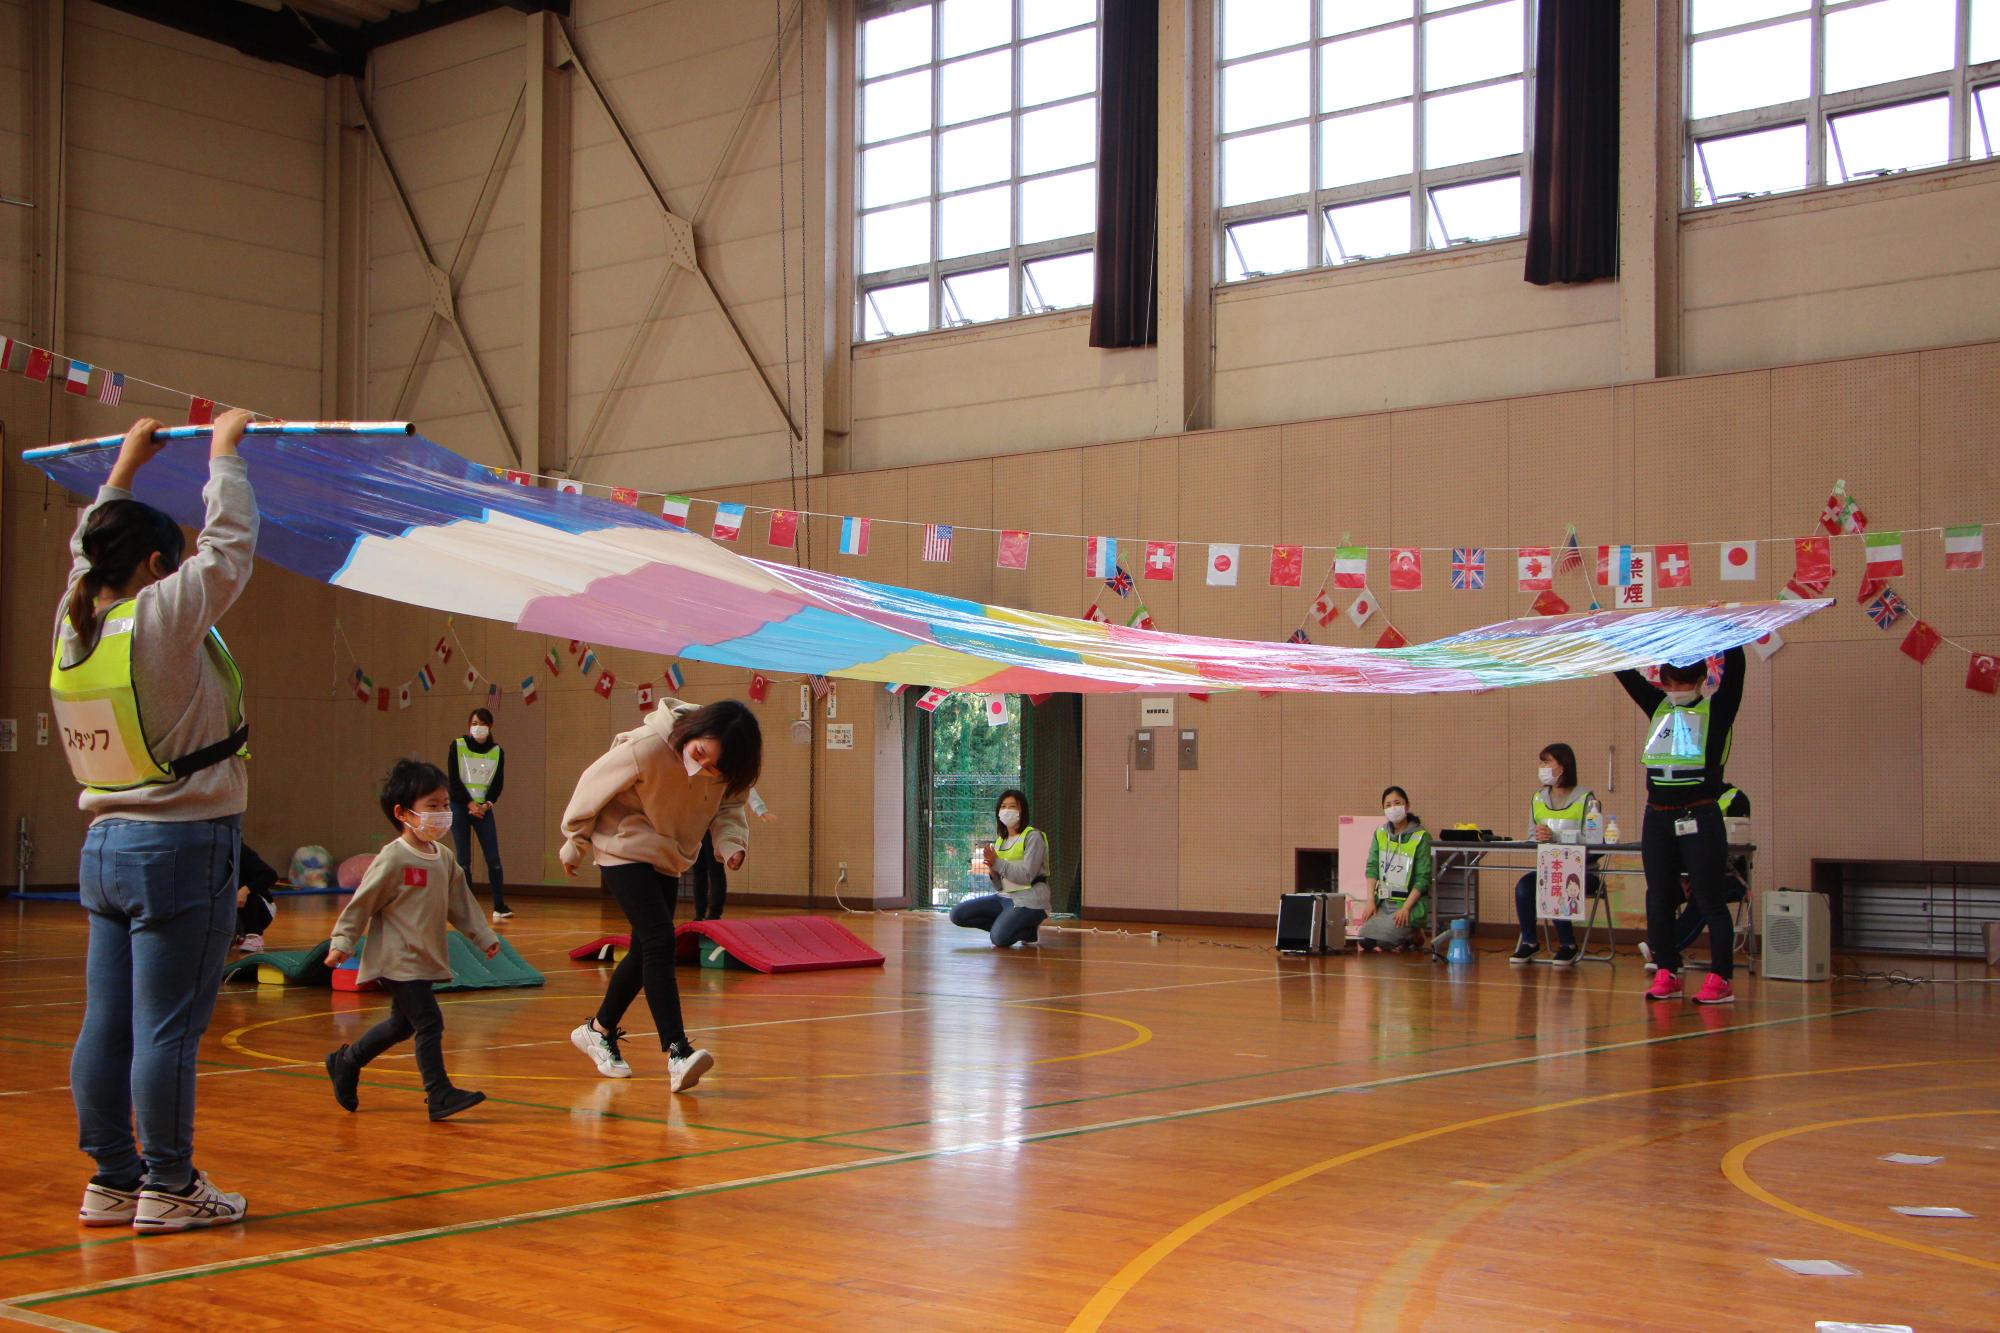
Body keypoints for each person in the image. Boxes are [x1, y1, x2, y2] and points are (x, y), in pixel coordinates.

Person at [51, 410, 258, 1232]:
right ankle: (169, 1184)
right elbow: (229, 547)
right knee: (167, 1030)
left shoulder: (75, 625)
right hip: (179, 845)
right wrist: (223, 454)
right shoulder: (160, 617)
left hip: (103, 845)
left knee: (107, 1024)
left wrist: (121, 471)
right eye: (165, 563)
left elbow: (84, 552)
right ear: (151, 564)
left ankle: (112, 1176)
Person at [561, 697, 759, 1093]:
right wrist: (575, 841)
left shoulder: (725, 772)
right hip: (622, 844)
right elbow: (591, 785)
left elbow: (729, 807)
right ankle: (678, 1051)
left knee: (644, 949)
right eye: (700, 752)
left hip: (668, 854)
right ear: (695, 731)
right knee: (659, 939)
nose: (703, 766)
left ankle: (597, 1030)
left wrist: (731, 843)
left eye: (714, 766)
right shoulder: (646, 746)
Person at [323, 759, 499, 1121]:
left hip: (423, 956)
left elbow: (460, 903)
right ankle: (439, 1094)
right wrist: (342, 941)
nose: (442, 813)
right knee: (428, 1021)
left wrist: (483, 936)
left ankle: (346, 1061)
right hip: (396, 958)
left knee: (401, 1025)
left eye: (445, 805)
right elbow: (363, 902)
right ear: (403, 812)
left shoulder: (444, 858)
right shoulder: (394, 858)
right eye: (431, 806)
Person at [1617, 646, 1747, 1005]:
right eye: (1670, 683)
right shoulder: (1658, 706)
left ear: (1701, 680)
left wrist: (1728, 633)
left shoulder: (1716, 711)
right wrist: (1611, 635)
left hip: (1699, 815)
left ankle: (1721, 978)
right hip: (1657, 816)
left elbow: (1735, 675)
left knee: (1708, 897)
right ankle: (1666, 971)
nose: (1675, 689)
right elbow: (1626, 672)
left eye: (1683, 682)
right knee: (1657, 897)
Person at [1509, 742, 1601, 967]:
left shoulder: (1586, 798)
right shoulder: (1538, 798)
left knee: (1555, 887)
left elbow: (1595, 839)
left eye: (1547, 762)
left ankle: (1568, 944)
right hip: (1549, 868)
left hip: (1583, 871)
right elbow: (1532, 836)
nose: (1542, 767)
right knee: (1524, 887)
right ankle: (1529, 941)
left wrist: (1556, 837)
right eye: (1541, 762)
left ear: (1563, 766)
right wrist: (1538, 837)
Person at [1644, 787, 1753, 972]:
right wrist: (1682, 877)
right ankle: (1666, 955)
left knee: (1703, 897)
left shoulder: (1735, 798)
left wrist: (1696, 875)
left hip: (1729, 875)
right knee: (1657, 892)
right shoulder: (1679, 802)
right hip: (1689, 873)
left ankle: (1664, 949)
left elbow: (1731, 845)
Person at [948, 789, 1050, 948]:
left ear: (1022, 811)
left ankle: (1023, 927)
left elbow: (1026, 876)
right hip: (1003, 897)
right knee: (957, 914)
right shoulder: (1000, 841)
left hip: (1029, 900)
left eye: (1012, 806)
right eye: (1003, 806)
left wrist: (997, 863)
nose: (1007, 810)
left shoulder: (1033, 837)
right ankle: (1018, 927)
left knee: (999, 939)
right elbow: (998, 887)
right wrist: (993, 874)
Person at [447, 707, 509, 921]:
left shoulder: (497, 751)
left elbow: (497, 783)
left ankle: (499, 906)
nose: (477, 727)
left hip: (483, 809)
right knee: (463, 861)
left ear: (489, 727)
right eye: (474, 723)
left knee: (493, 859)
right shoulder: (458, 746)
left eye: (481, 724)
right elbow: (453, 780)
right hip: (460, 806)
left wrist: (486, 804)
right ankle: (469, 908)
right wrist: (469, 803)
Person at [1358, 786, 1431, 952]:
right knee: (1365, 940)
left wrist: (1406, 908)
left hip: (1408, 904)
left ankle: (1413, 932)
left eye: (1397, 803)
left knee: (1385, 943)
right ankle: (1404, 933)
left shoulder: (1421, 837)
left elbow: (1423, 878)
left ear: (1407, 806)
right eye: (1388, 805)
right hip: (1384, 903)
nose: (1392, 808)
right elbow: (1372, 868)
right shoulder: (1380, 834)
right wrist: (1370, 901)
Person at [234, 842, 280, 954]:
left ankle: (253, 935)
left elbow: (270, 875)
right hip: (229, 908)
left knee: (246, 892)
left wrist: (245, 890)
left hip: (258, 907)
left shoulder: (239, 850)